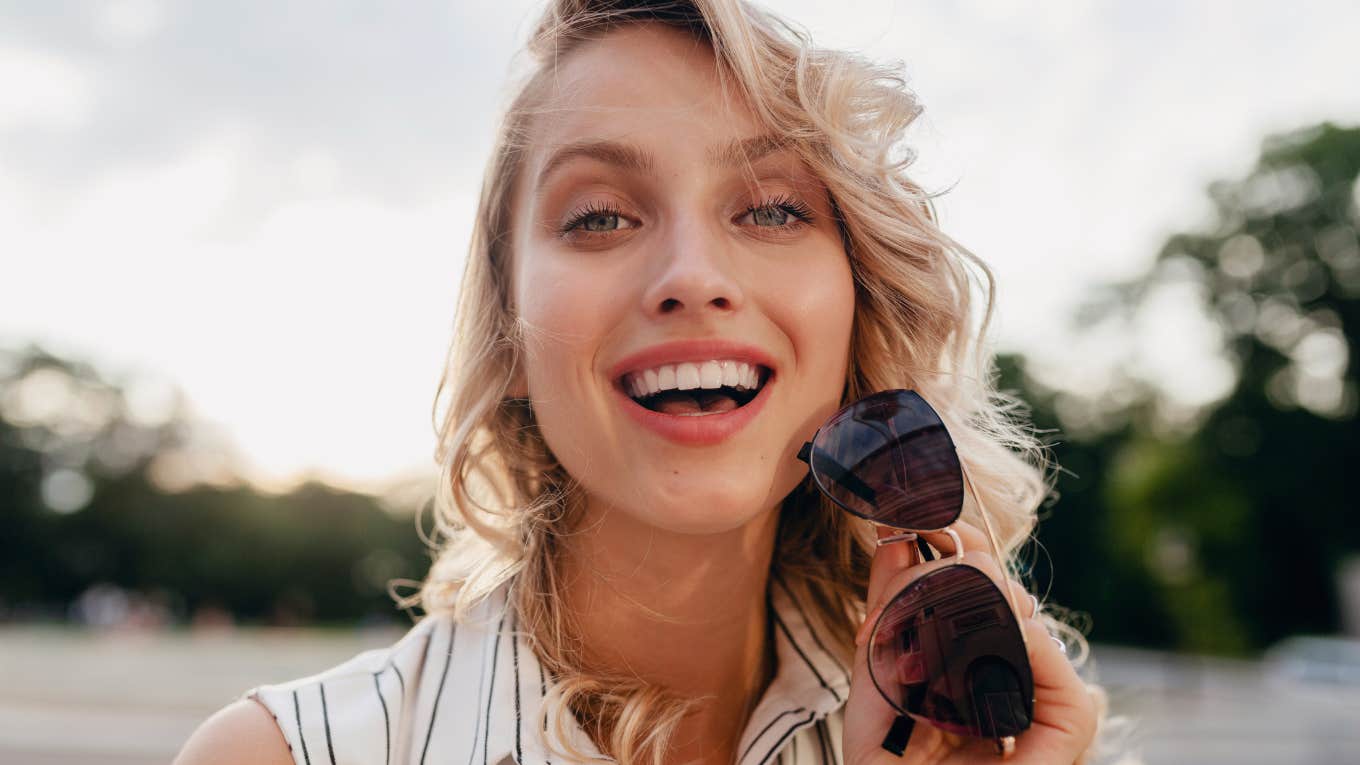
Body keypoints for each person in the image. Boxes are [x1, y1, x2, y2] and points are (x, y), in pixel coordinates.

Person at [174, 1, 1105, 763]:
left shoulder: (997, 744)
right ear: (506, 335)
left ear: (858, 305)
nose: (693, 275)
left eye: (773, 208)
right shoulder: (276, 755)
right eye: (600, 218)